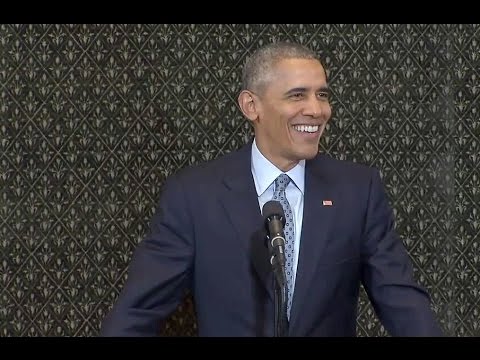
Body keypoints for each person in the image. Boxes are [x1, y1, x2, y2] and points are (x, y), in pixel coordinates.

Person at [100, 41, 443, 337]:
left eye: (322, 95)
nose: (317, 109)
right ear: (252, 106)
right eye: (297, 95)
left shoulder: (357, 191)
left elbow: (402, 301)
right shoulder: (194, 196)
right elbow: (138, 312)